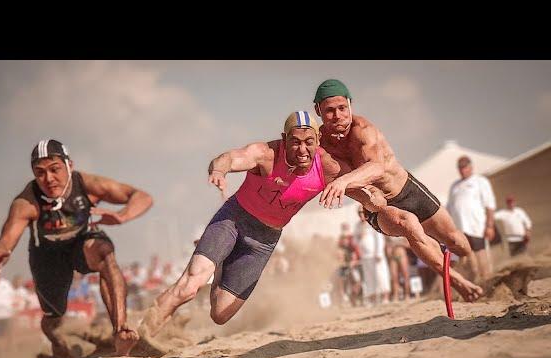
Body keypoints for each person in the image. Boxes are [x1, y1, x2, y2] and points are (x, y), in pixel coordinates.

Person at [139, 111, 387, 338]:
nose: (302, 149)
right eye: (295, 141)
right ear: (284, 138)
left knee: (220, 314)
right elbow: (229, 158)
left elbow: (370, 197)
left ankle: (221, 264)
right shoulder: (266, 155)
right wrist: (219, 171)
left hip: (264, 240)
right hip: (233, 220)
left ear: (318, 141)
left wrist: (374, 200)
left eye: (308, 142)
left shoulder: (328, 168)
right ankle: (143, 333)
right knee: (190, 285)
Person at [0, 139, 154, 358]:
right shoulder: (27, 201)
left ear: (69, 166)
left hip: (82, 243)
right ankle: (57, 343)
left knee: (105, 252)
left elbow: (142, 197)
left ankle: (121, 330)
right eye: (40, 172)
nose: (49, 179)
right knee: (54, 316)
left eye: (55, 170)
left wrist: (122, 216)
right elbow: (7, 238)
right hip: (47, 255)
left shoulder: (87, 184)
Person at [313, 79, 483, 302]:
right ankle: (456, 280)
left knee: (456, 241)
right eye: (329, 111)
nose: (337, 116)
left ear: (350, 105)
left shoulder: (362, 130)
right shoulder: (319, 144)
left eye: (342, 108)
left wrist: (343, 182)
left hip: (407, 188)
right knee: (410, 226)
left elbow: (376, 166)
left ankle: (482, 273)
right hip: (379, 205)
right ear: (318, 111)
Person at [447, 155, 497, 280]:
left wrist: (490, 226)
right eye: (460, 167)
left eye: (464, 166)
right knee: (467, 258)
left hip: (476, 226)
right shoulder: (455, 185)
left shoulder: (480, 181)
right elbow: (449, 208)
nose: (462, 170)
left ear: (470, 166)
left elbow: (490, 205)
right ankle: (475, 284)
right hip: (460, 229)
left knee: (481, 255)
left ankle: (486, 281)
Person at [355, 208, 391, 306]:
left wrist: (379, 252)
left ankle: (385, 297)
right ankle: (373, 298)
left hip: (375, 255)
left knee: (381, 274)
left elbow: (379, 238)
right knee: (369, 277)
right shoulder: (357, 226)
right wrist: (358, 239)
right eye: (359, 213)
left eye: (362, 212)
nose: (360, 215)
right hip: (365, 256)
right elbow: (355, 241)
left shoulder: (372, 222)